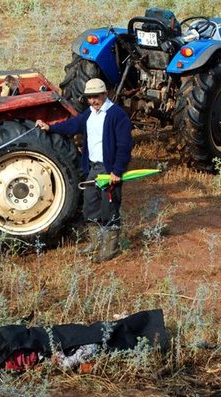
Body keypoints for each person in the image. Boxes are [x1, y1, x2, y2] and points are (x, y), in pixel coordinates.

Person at [36, 78, 133, 262]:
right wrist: (50, 128)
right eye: (89, 97)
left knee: (109, 208)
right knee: (90, 205)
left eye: (96, 97)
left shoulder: (117, 116)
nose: (92, 101)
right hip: (94, 167)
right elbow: (72, 125)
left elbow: (124, 146)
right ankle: (95, 243)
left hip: (109, 169)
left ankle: (110, 249)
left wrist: (117, 172)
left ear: (105, 94)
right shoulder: (89, 114)